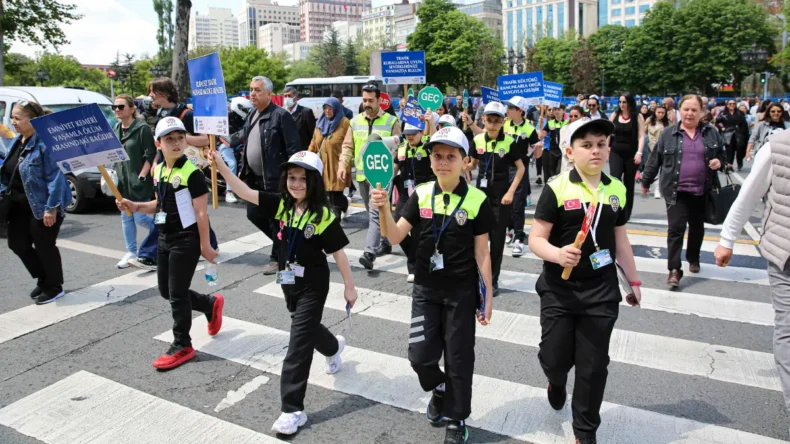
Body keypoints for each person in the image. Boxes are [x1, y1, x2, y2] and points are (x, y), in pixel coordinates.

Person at [210, 149, 357, 436]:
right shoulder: (282, 205)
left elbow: (339, 253)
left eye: (303, 178)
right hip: (288, 281)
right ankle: (333, 348)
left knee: (298, 344)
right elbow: (244, 192)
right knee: (307, 328)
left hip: (314, 284)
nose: (296, 184)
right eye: (292, 178)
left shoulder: (323, 215)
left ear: (314, 182)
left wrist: (350, 287)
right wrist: (221, 167)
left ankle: (292, 410)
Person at [371, 126, 494, 444]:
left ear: (465, 161)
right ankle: (439, 388)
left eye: (451, 156)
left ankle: (456, 418)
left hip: (461, 293)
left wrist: (487, 297)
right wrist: (383, 209)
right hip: (425, 291)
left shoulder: (477, 200)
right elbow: (394, 236)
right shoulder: (421, 194)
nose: (443, 162)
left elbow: (482, 253)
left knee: (459, 358)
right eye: (438, 156)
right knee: (419, 357)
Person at [528, 117, 641, 444]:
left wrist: (633, 282)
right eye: (587, 145)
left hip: (601, 291)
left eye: (601, 144)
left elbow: (620, 240)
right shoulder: (557, 188)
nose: (596, 151)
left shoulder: (616, 189)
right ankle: (556, 380)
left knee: (593, 366)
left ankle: (585, 431)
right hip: (559, 290)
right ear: (570, 151)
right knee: (554, 358)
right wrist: (558, 254)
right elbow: (536, 238)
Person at [116, 117, 223, 370]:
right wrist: (135, 205)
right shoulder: (159, 170)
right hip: (164, 237)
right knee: (166, 291)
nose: (176, 143)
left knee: (177, 295)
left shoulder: (192, 173)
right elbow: (159, 204)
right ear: (158, 144)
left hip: (186, 240)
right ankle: (208, 304)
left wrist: (205, 246)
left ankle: (182, 344)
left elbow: (201, 213)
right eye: (169, 139)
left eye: (179, 138)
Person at [714, 129, 790, 423]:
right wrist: (727, 239)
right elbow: (748, 195)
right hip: (785, 255)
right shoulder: (778, 146)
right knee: (788, 330)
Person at [641, 95, 725, 290]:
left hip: (702, 190)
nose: (690, 113)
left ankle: (693, 257)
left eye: (694, 110)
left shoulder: (711, 133)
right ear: (679, 111)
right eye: (686, 109)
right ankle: (674, 269)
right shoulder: (668, 134)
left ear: (701, 112)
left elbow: (723, 155)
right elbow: (655, 159)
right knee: (675, 229)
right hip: (675, 191)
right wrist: (646, 180)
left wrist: (719, 162)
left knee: (697, 227)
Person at [0, 101, 72, 305]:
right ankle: (44, 278)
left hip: (42, 206)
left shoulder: (46, 143)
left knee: (44, 246)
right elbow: (8, 170)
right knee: (17, 244)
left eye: (17, 118)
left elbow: (56, 178)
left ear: (33, 120)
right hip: (18, 206)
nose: (13, 122)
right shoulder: (18, 140)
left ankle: (54, 287)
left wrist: (51, 208)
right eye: (12, 118)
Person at [148, 77, 219, 255]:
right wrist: (156, 161)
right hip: (167, 167)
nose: (150, 95)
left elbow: (206, 139)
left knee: (190, 207)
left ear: (163, 93)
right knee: (173, 206)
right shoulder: (160, 113)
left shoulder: (186, 114)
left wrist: (180, 138)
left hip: (185, 167)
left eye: (153, 91)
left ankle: (147, 252)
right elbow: (159, 143)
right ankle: (210, 243)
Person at [239, 76, 301, 275]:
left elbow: (293, 149)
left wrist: (292, 178)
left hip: (276, 179)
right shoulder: (252, 114)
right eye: (251, 89)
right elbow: (245, 143)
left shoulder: (281, 116)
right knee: (253, 214)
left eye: (257, 90)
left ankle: (278, 258)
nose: (253, 93)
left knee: (277, 219)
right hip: (255, 179)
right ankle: (285, 243)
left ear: (269, 94)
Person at [466, 101, 525, 295]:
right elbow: (473, 165)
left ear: (502, 122)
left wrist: (511, 192)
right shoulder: (477, 140)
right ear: (483, 120)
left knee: (497, 241)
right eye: (489, 119)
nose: (492, 124)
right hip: (480, 196)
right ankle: (477, 276)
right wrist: (462, 166)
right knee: (478, 238)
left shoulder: (509, 142)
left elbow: (521, 168)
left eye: (496, 120)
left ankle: (493, 280)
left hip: (501, 197)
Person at [339, 83, 401, 270]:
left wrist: (394, 170)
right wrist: (342, 165)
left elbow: (400, 148)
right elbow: (347, 146)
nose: (367, 103)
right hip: (361, 176)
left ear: (379, 100)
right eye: (364, 100)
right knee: (374, 211)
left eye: (370, 100)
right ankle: (385, 241)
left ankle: (369, 253)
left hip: (382, 176)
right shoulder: (355, 121)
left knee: (375, 212)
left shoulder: (391, 121)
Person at [112, 94, 158, 270]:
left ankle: (166, 231)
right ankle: (131, 251)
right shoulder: (116, 128)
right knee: (126, 216)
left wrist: (142, 175)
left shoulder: (142, 128)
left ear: (132, 109)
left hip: (138, 181)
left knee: (140, 217)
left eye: (121, 106)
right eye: (115, 107)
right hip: (123, 180)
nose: (117, 110)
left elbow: (150, 154)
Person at [393, 123, 435, 282]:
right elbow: (394, 168)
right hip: (404, 194)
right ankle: (416, 256)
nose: (410, 136)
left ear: (421, 132)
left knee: (417, 231)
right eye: (407, 133)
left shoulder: (428, 147)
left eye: (413, 133)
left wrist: (430, 122)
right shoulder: (401, 149)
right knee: (397, 224)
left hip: (423, 194)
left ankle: (414, 267)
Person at [501, 96, 540, 257]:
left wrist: (537, 148)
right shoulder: (504, 125)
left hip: (520, 170)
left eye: (510, 108)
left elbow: (536, 152)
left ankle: (519, 238)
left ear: (520, 110)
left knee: (517, 205)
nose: (507, 110)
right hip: (504, 169)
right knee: (505, 204)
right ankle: (509, 229)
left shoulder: (530, 129)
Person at [308, 97, 351, 217]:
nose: (327, 111)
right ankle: (344, 204)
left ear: (336, 109)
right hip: (323, 166)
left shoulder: (344, 123)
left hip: (337, 165)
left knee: (335, 195)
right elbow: (314, 142)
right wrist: (307, 156)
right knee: (326, 194)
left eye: (330, 108)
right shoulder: (320, 123)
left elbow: (349, 143)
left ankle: (335, 220)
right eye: (325, 108)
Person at [609, 93, 645, 222]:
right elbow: (608, 133)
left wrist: (639, 152)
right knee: (615, 179)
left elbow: (641, 136)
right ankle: (615, 208)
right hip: (616, 152)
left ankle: (627, 212)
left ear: (629, 103)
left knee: (629, 183)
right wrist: (606, 147)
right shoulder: (615, 114)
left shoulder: (637, 116)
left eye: (624, 102)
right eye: (620, 102)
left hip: (631, 153)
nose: (621, 104)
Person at [219, 96, 253, 204]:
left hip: (238, 145)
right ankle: (229, 192)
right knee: (232, 163)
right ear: (239, 108)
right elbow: (227, 138)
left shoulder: (243, 119)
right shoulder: (226, 119)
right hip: (225, 145)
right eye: (245, 110)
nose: (247, 112)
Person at [715, 99, 750, 172]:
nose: (732, 105)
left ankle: (739, 162)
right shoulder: (723, 113)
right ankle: (729, 164)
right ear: (727, 105)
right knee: (729, 149)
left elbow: (744, 124)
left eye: (733, 104)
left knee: (740, 149)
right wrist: (721, 128)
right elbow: (716, 122)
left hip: (739, 134)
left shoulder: (740, 113)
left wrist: (745, 134)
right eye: (730, 104)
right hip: (728, 133)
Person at [283, 86, 317, 151]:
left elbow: (313, 134)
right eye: (285, 96)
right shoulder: (282, 113)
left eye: (289, 96)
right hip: (286, 152)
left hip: (302, 151)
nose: (287, 98)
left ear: (295, 97)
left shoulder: (306, 112)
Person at [646, 105, 669, 199]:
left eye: (662, 113)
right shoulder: (649, 121)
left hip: (662, 148)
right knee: (649, 168)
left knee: (659, 170)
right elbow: (643, 133)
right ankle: (647, 183)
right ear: (655, 112)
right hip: (650, 147)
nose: (660, 114)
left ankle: (657, 189)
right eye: (658, 112)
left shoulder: (667, 123)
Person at [543, 104, 570, 179]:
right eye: (555, 109)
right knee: (552, 172)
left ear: (563, 111)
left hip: (563, 151)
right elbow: (541, 136)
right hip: (552, 150)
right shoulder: (550, 123)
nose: (556, 111)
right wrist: (541, 125)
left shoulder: (568, 122)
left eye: (559, 109)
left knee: (559, 171)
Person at [560, 106, 585, 173]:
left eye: (575, 116)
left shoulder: (587, 128)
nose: (573, 118)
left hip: (583, 160)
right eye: (571, 116)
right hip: (568, 162)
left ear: (582, 116)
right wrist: (571, 155)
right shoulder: (565, 128)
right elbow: (562, 145)